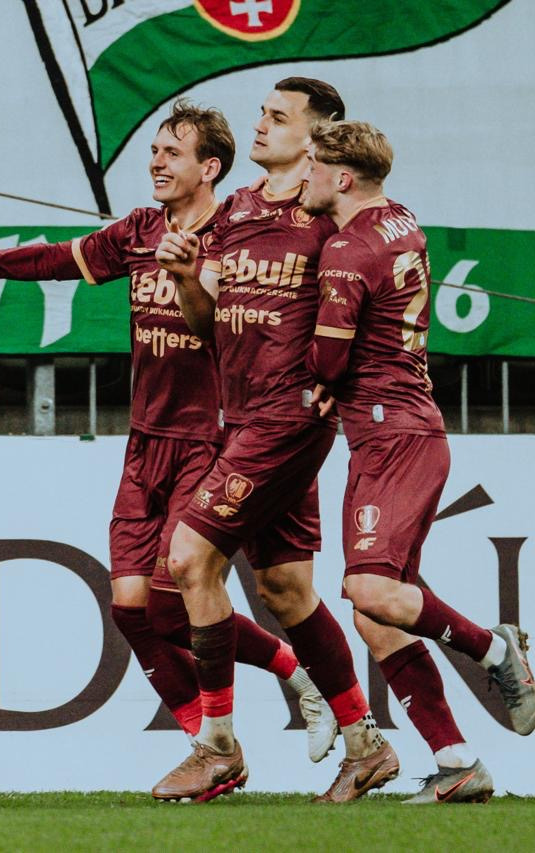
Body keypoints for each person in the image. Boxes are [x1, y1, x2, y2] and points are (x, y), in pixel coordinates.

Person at [0, 100, 336, 775]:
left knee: (172, 601)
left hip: (210, 441)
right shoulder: (140, 229)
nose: (156, 162)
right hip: (144, 442)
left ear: (210, 168)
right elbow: (54, 259)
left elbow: (277, 313)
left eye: (172, 152)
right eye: (154, 151)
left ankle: (286, 688)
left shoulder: (237, 233)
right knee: (132, 610)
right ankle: (220, 737)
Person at [154, 79, 396, 803]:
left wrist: (344, 379)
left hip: (286, 420)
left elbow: (376, 293)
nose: (260, 125)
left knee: (189, 559)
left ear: (317, 136)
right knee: (287, 590)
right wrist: (185, 277)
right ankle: (367, 746)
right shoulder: (237, 208)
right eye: (262, 112)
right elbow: (205, 321)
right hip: (242, 416)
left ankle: (216, 746)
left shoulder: (328, 213)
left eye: (278, 117)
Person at [300, 119, 535, 804]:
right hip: (400, 430)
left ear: (342, 177)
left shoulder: (347, 248)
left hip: (393, 435)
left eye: (313, 165)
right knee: (376, 615)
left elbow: (327, 359)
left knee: (370, 592)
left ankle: (494, 650)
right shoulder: (399, 219)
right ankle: (457, 761)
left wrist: (314, 370)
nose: (305, 176)